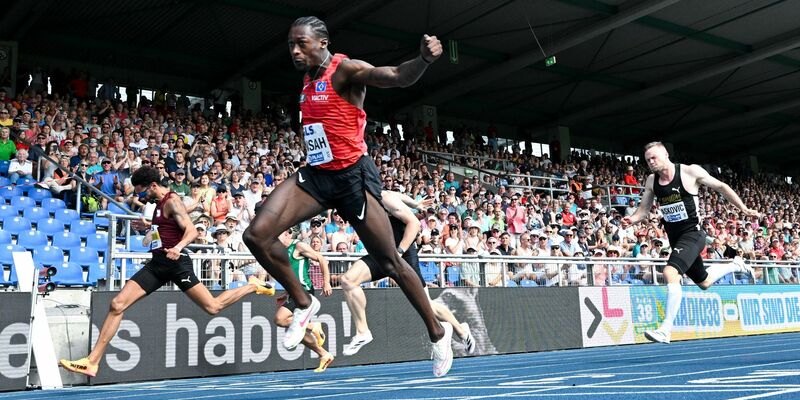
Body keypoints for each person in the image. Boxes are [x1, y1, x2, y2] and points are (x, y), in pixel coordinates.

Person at [242, 16, 453, 376]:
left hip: (352, 178)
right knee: (256, 235)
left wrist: (424, 60)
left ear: (322, 43)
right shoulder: (307, 79)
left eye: (301, 44)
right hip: (317, 176)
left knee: (390, 262)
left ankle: (437, 333)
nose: (294, 50)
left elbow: (397, 76)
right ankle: (303, 304)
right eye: (291, 44)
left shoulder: (346, 71)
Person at [59, 166, 276, 378]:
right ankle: (92, 362)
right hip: (158, 264)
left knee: (213, 306)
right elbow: (166, 227)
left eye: (142, 190)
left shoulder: (171, 201)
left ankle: (252, 285)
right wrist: (148, 227)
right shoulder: (158, 204)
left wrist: (178, 247)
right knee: (117, 304)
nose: (140, 195)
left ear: (153, 185)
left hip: (177, 263)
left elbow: (190, 230)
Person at [624, 142, 758, 344]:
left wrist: (744, 209)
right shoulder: (652, 181)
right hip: (675, 237)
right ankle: (735, 264)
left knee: (670, 272)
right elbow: (643, 210)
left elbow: (721, 187)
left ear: (666, 154)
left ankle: (666, 329)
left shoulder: (689, 172)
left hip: (693, 234)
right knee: (703, 282)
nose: (651, 162)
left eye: (654, 157)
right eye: (648, 160)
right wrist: (631, 219)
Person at [339, 190, 475, 356]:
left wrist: (399, 251)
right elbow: (403, 198)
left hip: (402, 253)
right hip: (382, 253)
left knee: (427, 305)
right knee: (347, 280)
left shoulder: (384, 198)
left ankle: (461, 330)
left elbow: (414, 224)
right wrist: (415, 204)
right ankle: (362, 332)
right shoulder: (357, 203)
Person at [273, 230, 334, 372]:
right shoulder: (282, 252)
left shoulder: (298, 246)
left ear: (287, 234)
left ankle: (313, 326)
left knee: (280, 319)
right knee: (296, 330)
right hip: (294, 292)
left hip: (303, 292)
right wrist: (286, 293)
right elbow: (291, 275)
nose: (274, 239)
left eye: (277, 235)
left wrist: (326, 282)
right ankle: (323, 354)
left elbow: (321, 259)